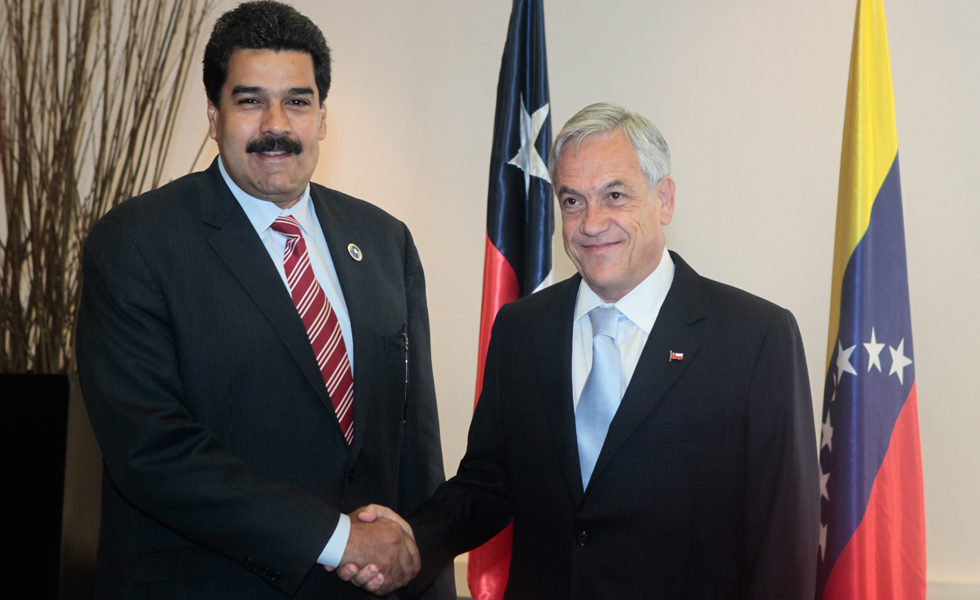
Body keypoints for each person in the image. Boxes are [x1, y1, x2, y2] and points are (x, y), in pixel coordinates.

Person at [352, 103, 820, 598]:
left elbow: (783, 538)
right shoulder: (521, 328)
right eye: (573, 201)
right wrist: (412, 538)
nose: (591, 224)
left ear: (664, 199)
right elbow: (489, 481)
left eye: (614, 196)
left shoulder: (754, 337)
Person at [75, 2, 453, 598]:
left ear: (323, 116)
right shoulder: (135, 243)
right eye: (250, 100)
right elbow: (153, 452)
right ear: (213, 115)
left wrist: (426, 573)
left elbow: (415, 446)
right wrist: (336, 537)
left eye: (298, 101)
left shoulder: (385, 241)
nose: (277, 123)